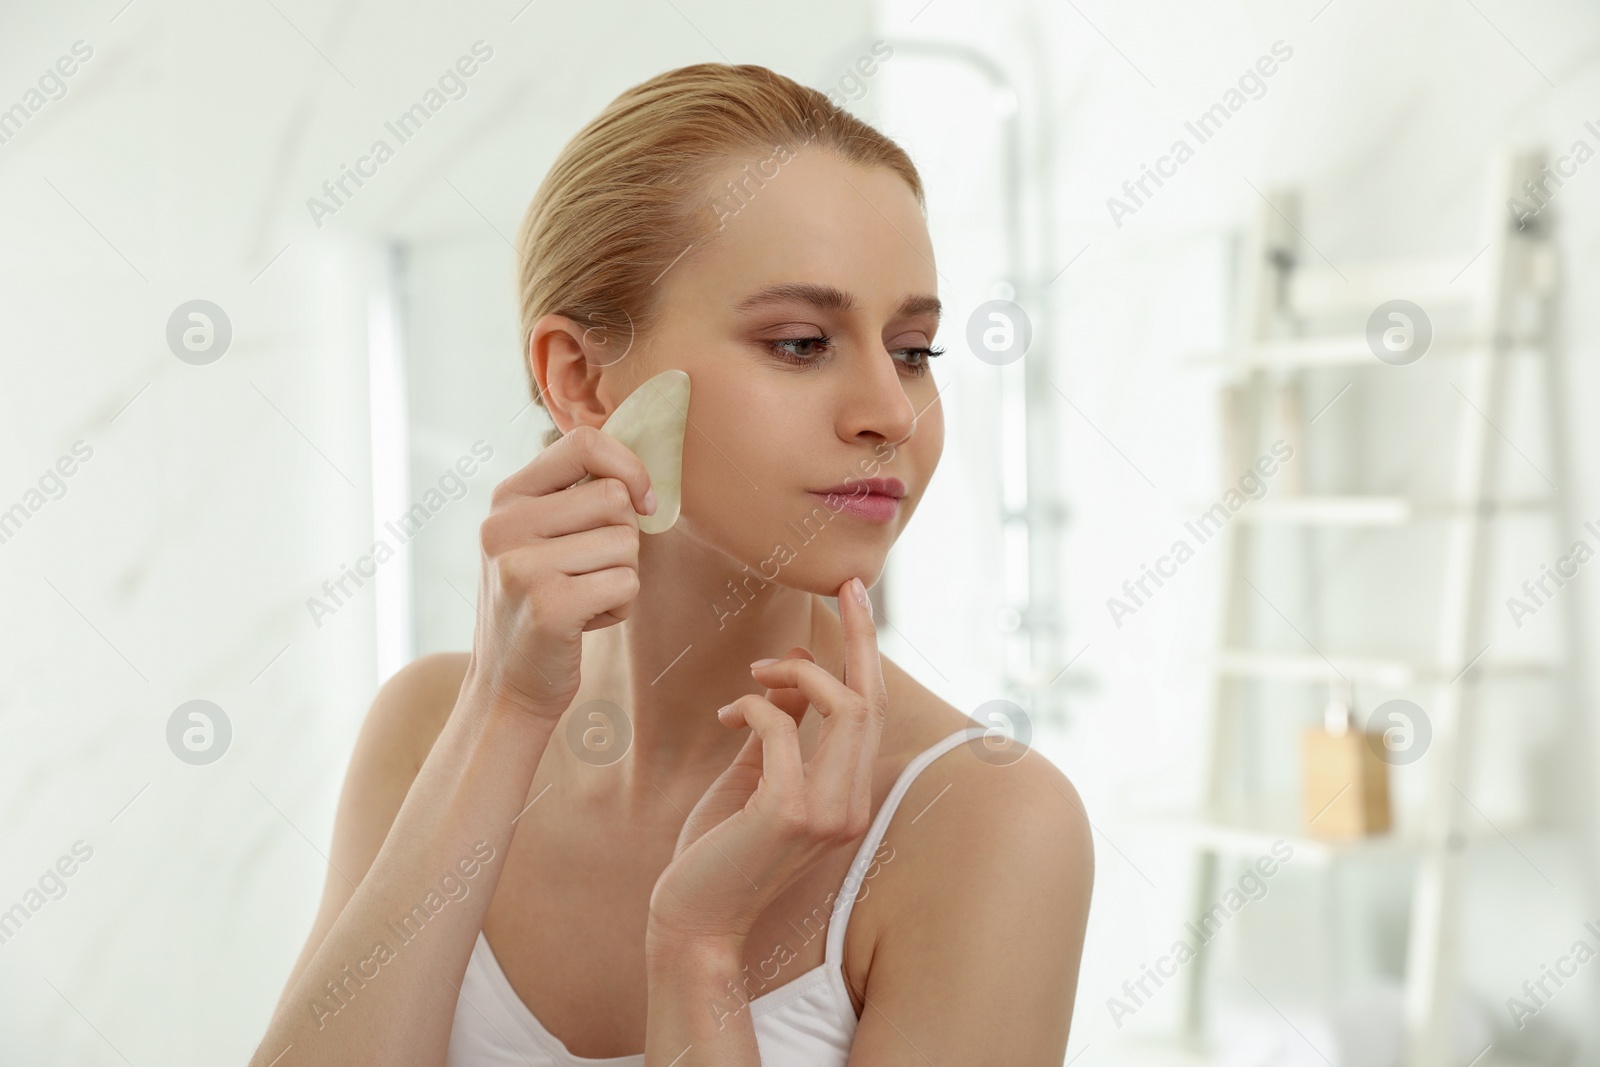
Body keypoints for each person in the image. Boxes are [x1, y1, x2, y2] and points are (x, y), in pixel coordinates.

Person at [252, 62, 1092, 1067]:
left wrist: (697, 954)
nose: (889, 410)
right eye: (799, 341)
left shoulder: (987, 821)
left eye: (914, 350)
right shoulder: (426, 727)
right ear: (582, 380)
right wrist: (503, 711)